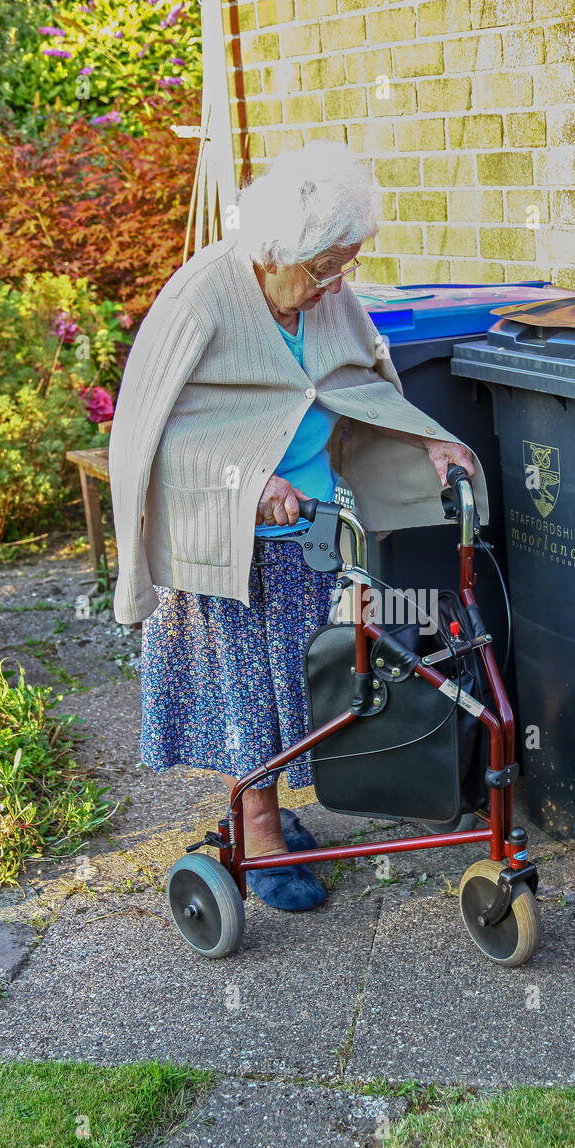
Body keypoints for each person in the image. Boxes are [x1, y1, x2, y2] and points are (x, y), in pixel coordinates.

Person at [108, 140, 488, 911]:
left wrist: (429, 440)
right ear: (275, 248)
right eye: (322, 270)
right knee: (246, 697)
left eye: (344, 266)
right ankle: (258, 836)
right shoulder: (199, 300)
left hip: (310, 531)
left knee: (300, 687)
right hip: (224, 544)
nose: (335, 286)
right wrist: (246, 483)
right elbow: (150, 433)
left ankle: (267, 807)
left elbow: (358, 381)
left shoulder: (320, 289)